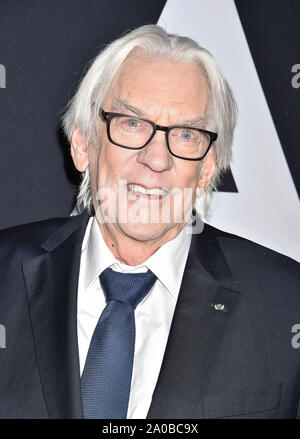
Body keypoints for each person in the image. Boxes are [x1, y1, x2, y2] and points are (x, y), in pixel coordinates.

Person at [0, 24, 300, 419]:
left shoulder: (286, 304)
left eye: (186, 134)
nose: (157, 159)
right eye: (132, 123)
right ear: (83, 144)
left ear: (208, 166)